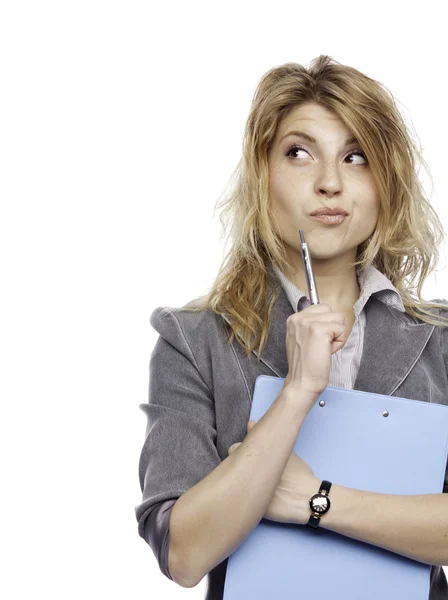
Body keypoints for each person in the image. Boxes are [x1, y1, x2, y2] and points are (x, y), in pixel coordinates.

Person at [135, 55, 448, 599]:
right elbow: (183, 553)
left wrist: (315, 500)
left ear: (385, 182)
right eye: (299, 153)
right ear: (263, 174)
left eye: (356, 157)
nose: (329, 183)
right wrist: (297, 392)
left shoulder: (441, 341)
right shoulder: (193, 340)